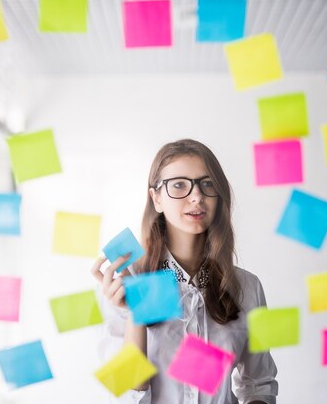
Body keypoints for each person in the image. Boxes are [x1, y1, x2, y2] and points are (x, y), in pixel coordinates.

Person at [92, 139, 278, 404]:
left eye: (207, 183)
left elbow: (259, 385)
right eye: (179, 184)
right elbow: (128, 393)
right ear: (156, 198)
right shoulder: (126, 279)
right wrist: (137, 311)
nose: (196, 196)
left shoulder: (247, 287)